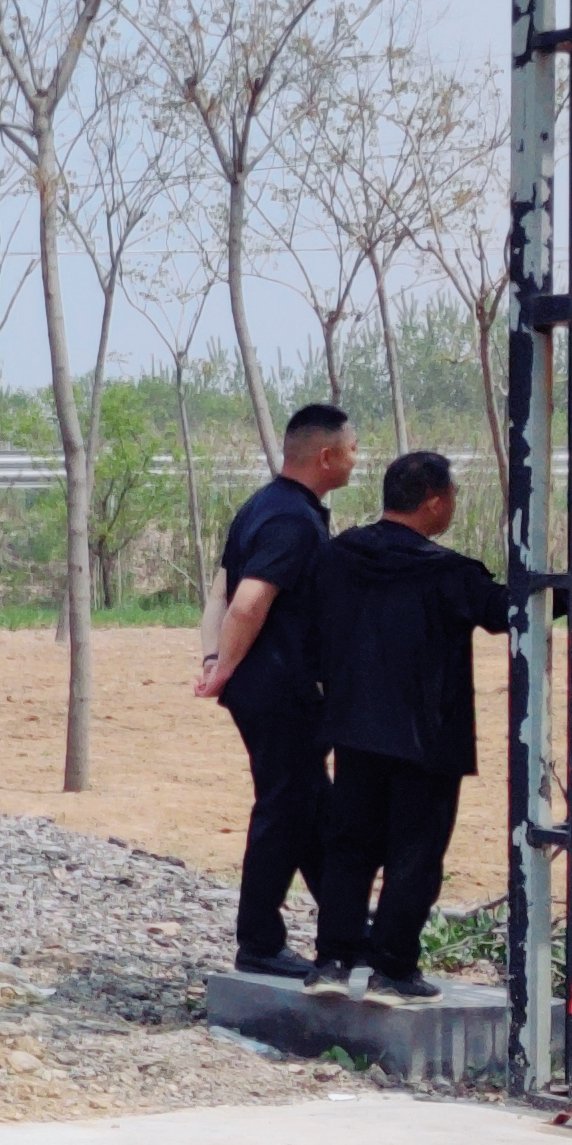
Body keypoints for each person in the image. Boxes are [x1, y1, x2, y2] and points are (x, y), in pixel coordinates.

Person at [305, 452, 499, 1003]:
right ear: (435, 502)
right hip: (426, 738)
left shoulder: (337, 557)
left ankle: (334, 961)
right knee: (415, 855)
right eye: (453, 497)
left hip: (354, 729)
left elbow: (310, 630)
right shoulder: (448, 573)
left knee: (349, 847)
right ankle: (392, 968)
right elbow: (513, 612)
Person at [193, 404, 356, 980]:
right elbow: (248, 601)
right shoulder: (291, 521)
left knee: (315, 808)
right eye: (352, 449)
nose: (357, 459)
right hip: (280, 688)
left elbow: (217, 593)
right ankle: (259, 942)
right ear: (326, 456)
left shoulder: (262, 506)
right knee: (285, 808)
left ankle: (349, 934)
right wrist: (224, 668)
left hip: (264, 685)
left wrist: (215, 659)